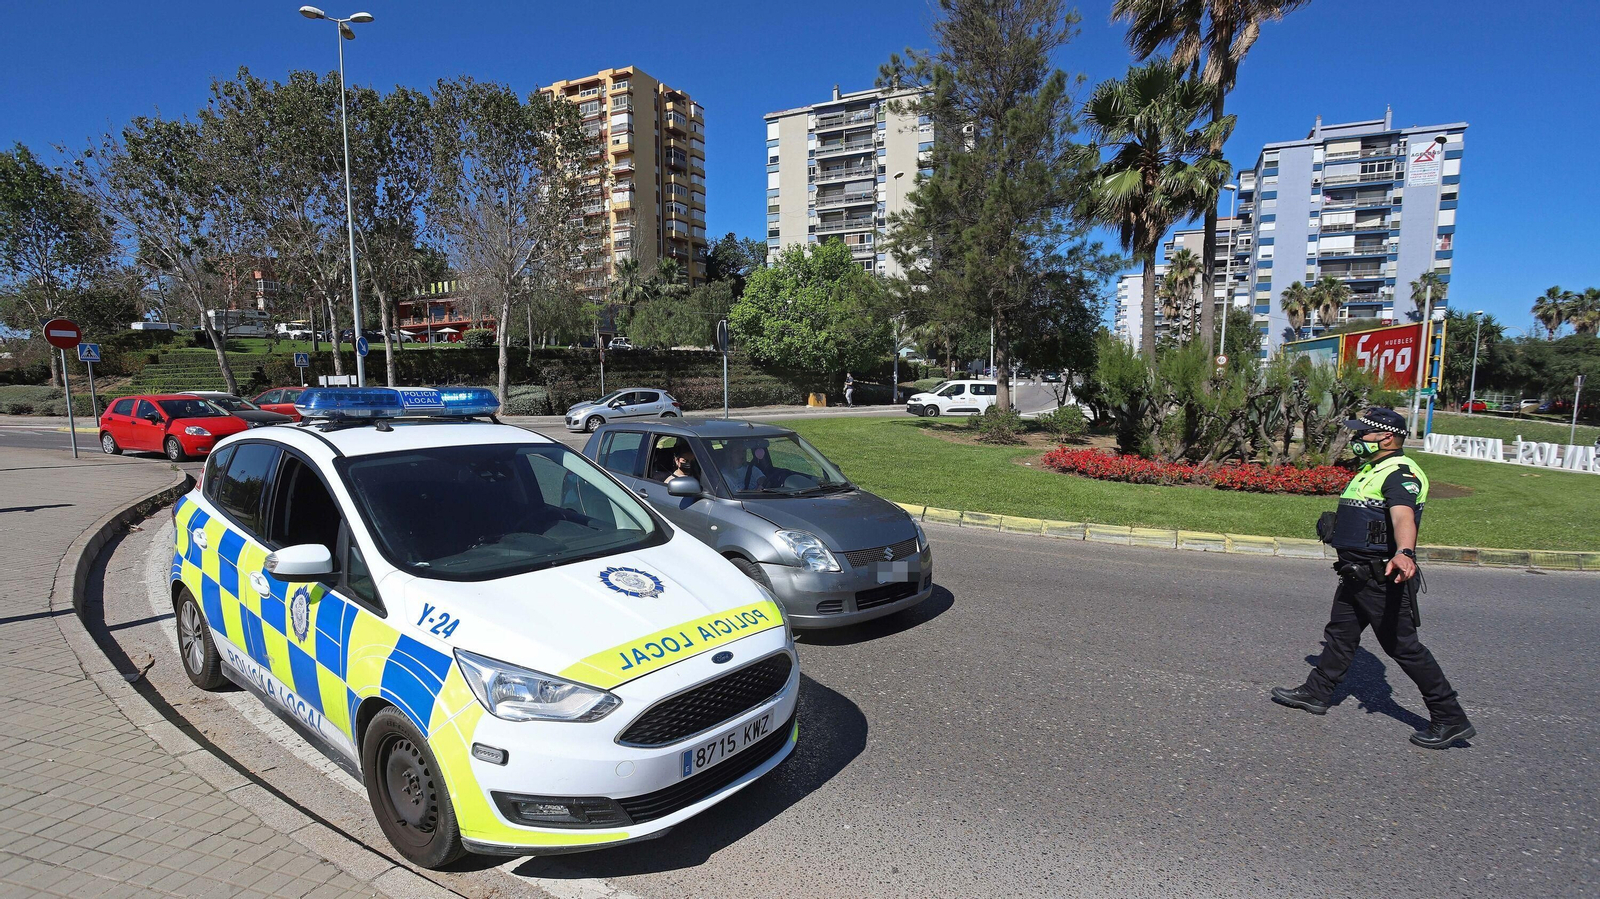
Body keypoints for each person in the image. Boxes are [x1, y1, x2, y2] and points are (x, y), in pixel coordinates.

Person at [1271, 407, 1475, 750]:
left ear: (1387, 437)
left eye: (1363, 433)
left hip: (1382, 577)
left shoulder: (1400, 473)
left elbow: (1403, 516)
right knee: (1341, 634)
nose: (1357, 438)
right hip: (1355, 573)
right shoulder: (1372, 468)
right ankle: (1317, 692)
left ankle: (1450, 718)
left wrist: (1405, 552)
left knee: (1403, 647)